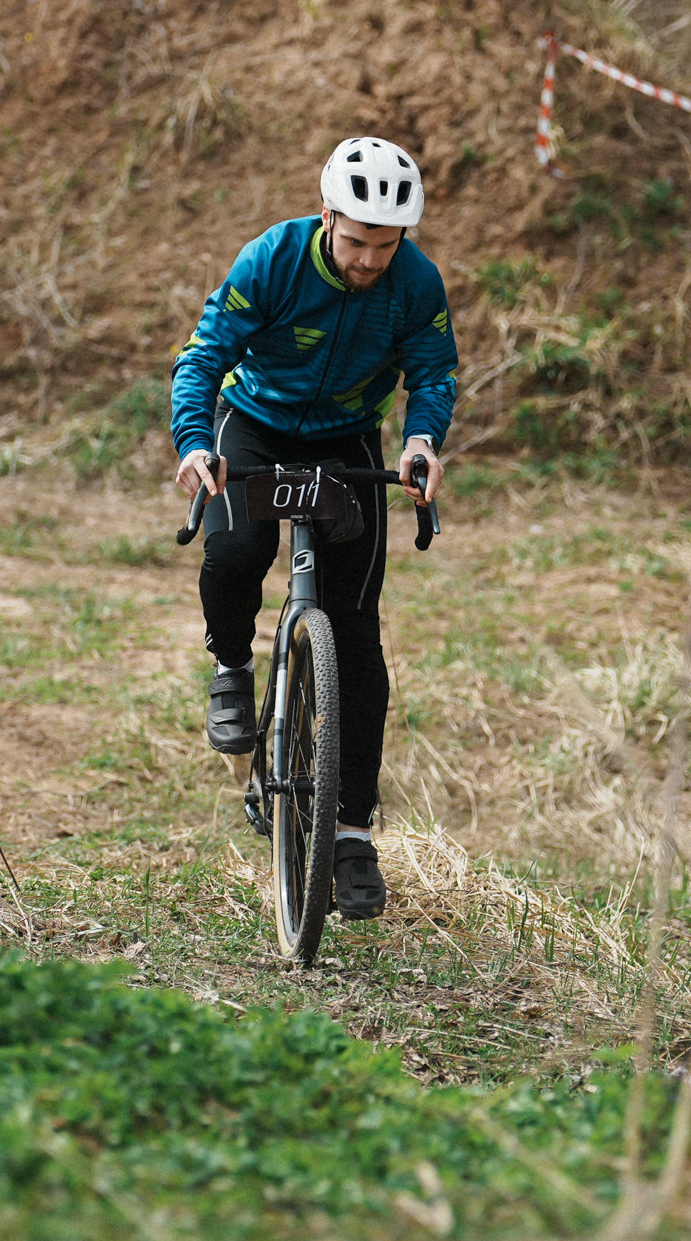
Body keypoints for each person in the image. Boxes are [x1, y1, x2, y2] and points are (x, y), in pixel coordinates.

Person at [170, 135, 458, 920]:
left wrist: (423, 440)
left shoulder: (415, 282)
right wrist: (195, 444)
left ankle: (353, 833)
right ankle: (232, 666)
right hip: (255, 424)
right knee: (234, 552)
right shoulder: (272, 259)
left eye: (386, 245)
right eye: (358, 241)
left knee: (358, 636)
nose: (370, 261)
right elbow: (202, 357)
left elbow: (434, 371)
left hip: (346, 440)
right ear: (327, 215)